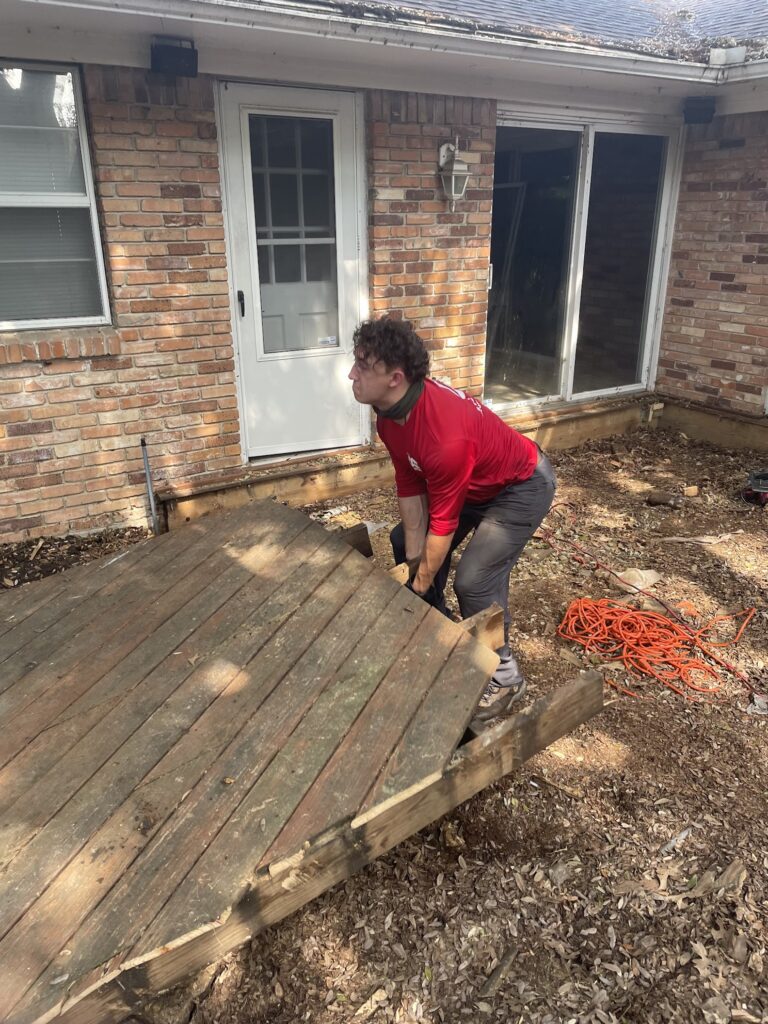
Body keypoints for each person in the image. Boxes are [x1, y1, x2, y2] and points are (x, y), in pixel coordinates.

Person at [348, 316, 556, 721]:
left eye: (362, 365)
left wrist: (421, 582)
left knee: (475, 579)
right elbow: (409, 482)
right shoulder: (389, 415)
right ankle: (440, 634)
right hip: (472, 485)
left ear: (395, 377)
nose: (351, 374)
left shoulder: (444, 436)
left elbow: (441, 523)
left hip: (521, 486)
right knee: (401, 544)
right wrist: (414, 568)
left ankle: (505, 676)